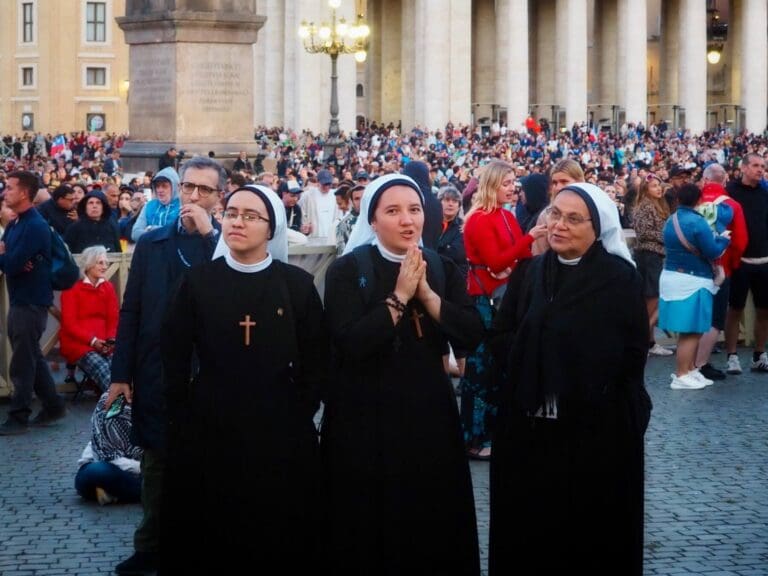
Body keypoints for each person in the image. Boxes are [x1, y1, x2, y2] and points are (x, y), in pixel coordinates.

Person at [160, 184, 328, 573]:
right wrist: (182, 415)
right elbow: (173, 354)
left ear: (271, 229)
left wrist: (300, 408)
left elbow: (316, 356)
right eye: (232, 212)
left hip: (280, 426)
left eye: (251, 216)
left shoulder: (296, 286)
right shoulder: (196, 283)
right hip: (211, 424)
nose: (237, 222)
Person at [323, 174, 484, 576]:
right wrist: (398, 298)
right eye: (392, 211)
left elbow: (471, 333)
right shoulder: (346, 270)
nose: (407, 220)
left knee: (430, 520)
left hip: (430, 413)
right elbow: (350, 343)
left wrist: (428, 296)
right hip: (366, 414)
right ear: (373, 220)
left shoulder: (442, 266)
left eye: (414, 210)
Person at [489, 183, 652, 576]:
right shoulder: (530, 272)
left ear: (598, 228)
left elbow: (632, 354)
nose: (559, 225)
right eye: (555, 214)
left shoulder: (619, 280)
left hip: (595, 433)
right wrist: (532, 359)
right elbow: (500, 333)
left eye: (573, 219)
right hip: (529, 429)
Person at [105, 156, 225, 576]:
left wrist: (212, 238)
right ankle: (149, 544)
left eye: (203, 190)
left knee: (209, 460)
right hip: (157, 369)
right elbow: (132, 311)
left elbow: (233, 290)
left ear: (217, 197)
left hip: (209, 371)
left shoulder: (228, 244)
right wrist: (121, 373)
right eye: (188, 187)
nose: (193, 196)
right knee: (156, 460)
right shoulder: (153, 243)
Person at [460, 160, 547, 459]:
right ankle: (475, 437)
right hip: (485, 298)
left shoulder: (506, 216)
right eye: (507, 184)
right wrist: (531, 237)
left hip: (505, 295)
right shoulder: (479, 219)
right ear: (492, 185)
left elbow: (517, 255)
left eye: (514, 184)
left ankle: (495, 431)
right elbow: (497, 262)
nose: (513, 189)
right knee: (482, 365)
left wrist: (526, 244)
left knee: (500, 365)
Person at [0, 171, 67, 435]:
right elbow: (11, 258)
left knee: (23, 362)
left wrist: (7, 257)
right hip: (22, 298)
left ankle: (19, 416)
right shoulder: (18, 224)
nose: (5, 192)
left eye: (10, 188)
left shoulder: (34, 225)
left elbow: (12, 262)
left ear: (24, 193)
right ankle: (53, 405)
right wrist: (9, 257)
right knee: (32, 356)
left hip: (30, 301)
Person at [659, 184, 730, 389]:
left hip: (672, 276)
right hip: (694, 279)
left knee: (690, 329)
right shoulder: (698, 222)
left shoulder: (670, 220)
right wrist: (723, 241)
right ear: (699, 201)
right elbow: (712, 251)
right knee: (692, 330)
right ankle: (682, 374)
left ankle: (689, 370)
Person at [724, 153, 768, 374]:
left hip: (764, 259)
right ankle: (732, 356)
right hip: (739, 260)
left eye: (763, 166)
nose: (760, 169)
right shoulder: (730, 191)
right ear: (744, 168)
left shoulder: (766, 191)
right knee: (735, 308)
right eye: (756, 165)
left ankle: (760, 354)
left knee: (764, 310)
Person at [60, 245, 119, 392]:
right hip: (79, 343)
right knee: (104, 370)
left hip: (105, 342)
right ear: (89, 264)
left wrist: (111, 339)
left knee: (121, 369)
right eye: (100, 263)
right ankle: (122, 407)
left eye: (106, 263)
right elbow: (69, 324)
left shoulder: (108, 287)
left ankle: (126, 406)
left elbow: (114, 318)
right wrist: (93, 341)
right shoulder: (72, 288)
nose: (105, 266)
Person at [75, 392, 142, 506]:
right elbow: (107, 457)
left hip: (135, 474)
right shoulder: (112, 401)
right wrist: (143, 467)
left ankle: (116, 493)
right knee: (99, 471)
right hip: (104, 466)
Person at [633, 173, 673, 356]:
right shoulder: (644, 206)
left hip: (654, 256)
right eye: (654, 186)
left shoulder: (659, 205)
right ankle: (640, 340)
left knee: (651, 299)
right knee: (653, 299)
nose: (659, 188)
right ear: (645, 190)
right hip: (649, 256)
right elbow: (643, 233)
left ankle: (650, 342)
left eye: (659, 185)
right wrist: (668, 237)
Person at [131, 167, 181, 242]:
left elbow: (179, 235)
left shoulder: (182, 207)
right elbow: (135, 234)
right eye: (157, 186)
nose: (160, 190)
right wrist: (163, 233)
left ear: (174, 187)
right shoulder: (149, 206)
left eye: (164, 186)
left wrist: (151, 229)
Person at [63, 190, 122, 254]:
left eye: (98, 203)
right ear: (85, 207)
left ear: (103, 207)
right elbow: (67, 254)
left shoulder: (111, 227)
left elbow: (118, 251)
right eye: (91, 203)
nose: (94, 206)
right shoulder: (74, 228)